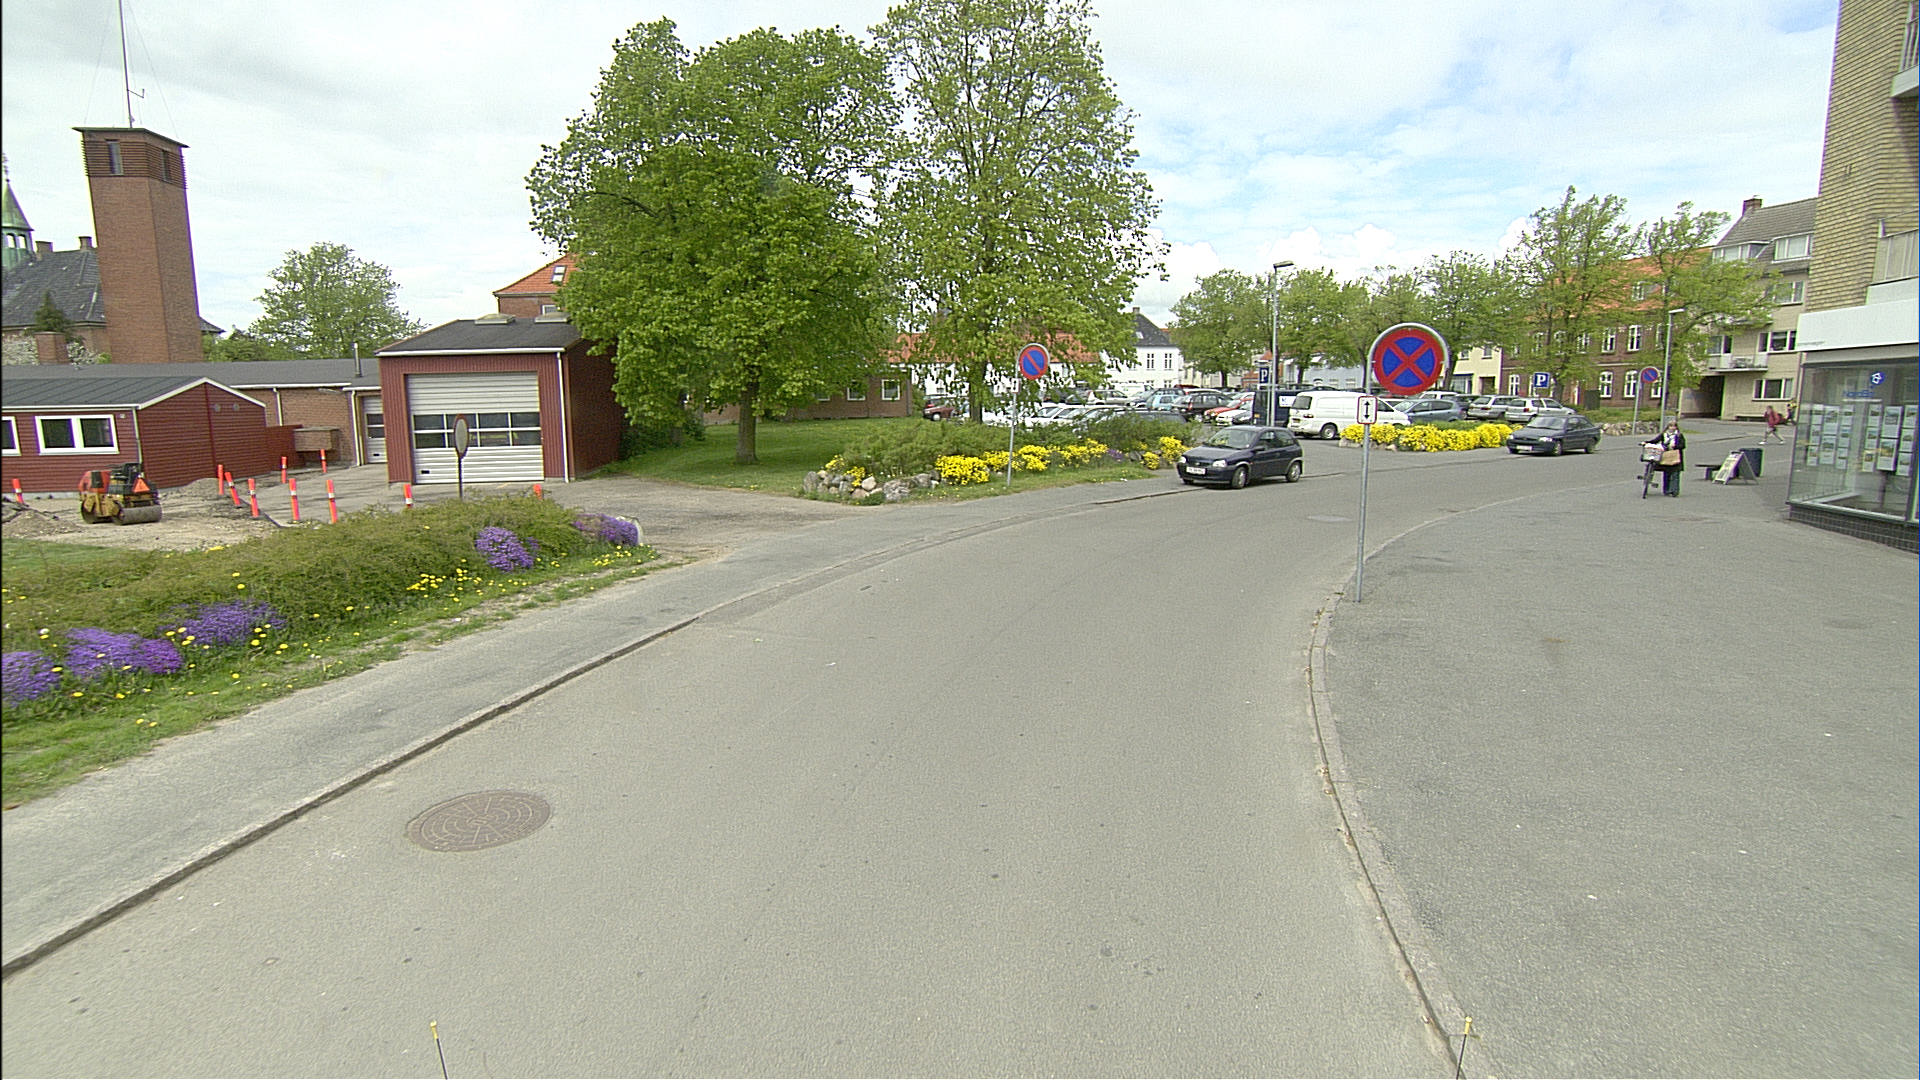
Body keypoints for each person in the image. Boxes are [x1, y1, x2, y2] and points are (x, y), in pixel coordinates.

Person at [1650, 420, 1687, 496]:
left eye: (1674, 426)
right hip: (1666, 456)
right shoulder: (1664, 435)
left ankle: (1674, 491)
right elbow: (1655, 441)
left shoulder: (1679, 435)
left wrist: (1675, 446)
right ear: (1668, 427)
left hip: (1676, 457)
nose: (1672, 428)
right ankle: (1666, 490)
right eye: (1671, 426)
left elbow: (1683, 445)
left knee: (1675, 474)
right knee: (1666, 474)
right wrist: (1646, 442)